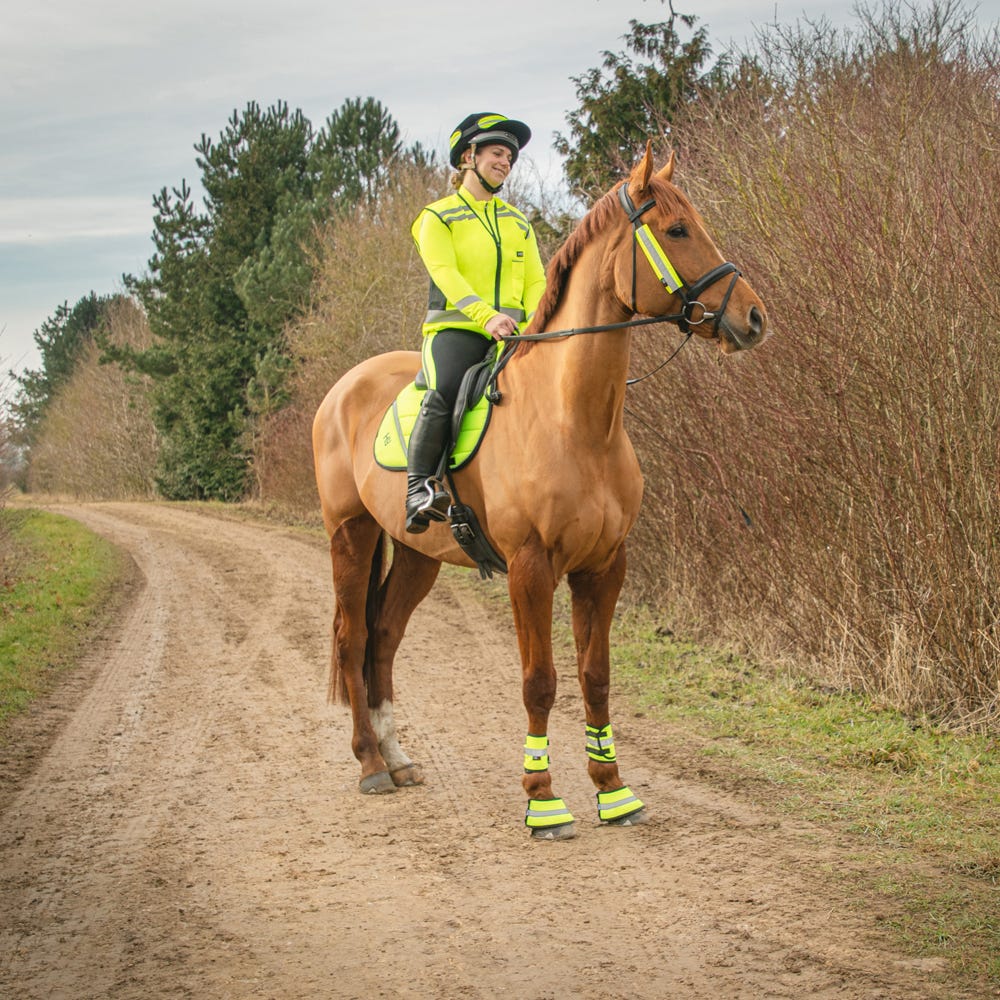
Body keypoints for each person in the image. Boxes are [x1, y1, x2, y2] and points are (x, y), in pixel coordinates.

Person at [404, 112, 547, 533]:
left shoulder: (519, 222)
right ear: (469, 156)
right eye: (497, 153)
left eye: (510, 157)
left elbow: (537, 280)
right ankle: (419, 489)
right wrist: (487, 317)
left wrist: (538, 324)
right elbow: (446, 276)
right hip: (457, 331)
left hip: (516, 337)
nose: (505, 162)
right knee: (445, 388)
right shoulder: (437, 217)